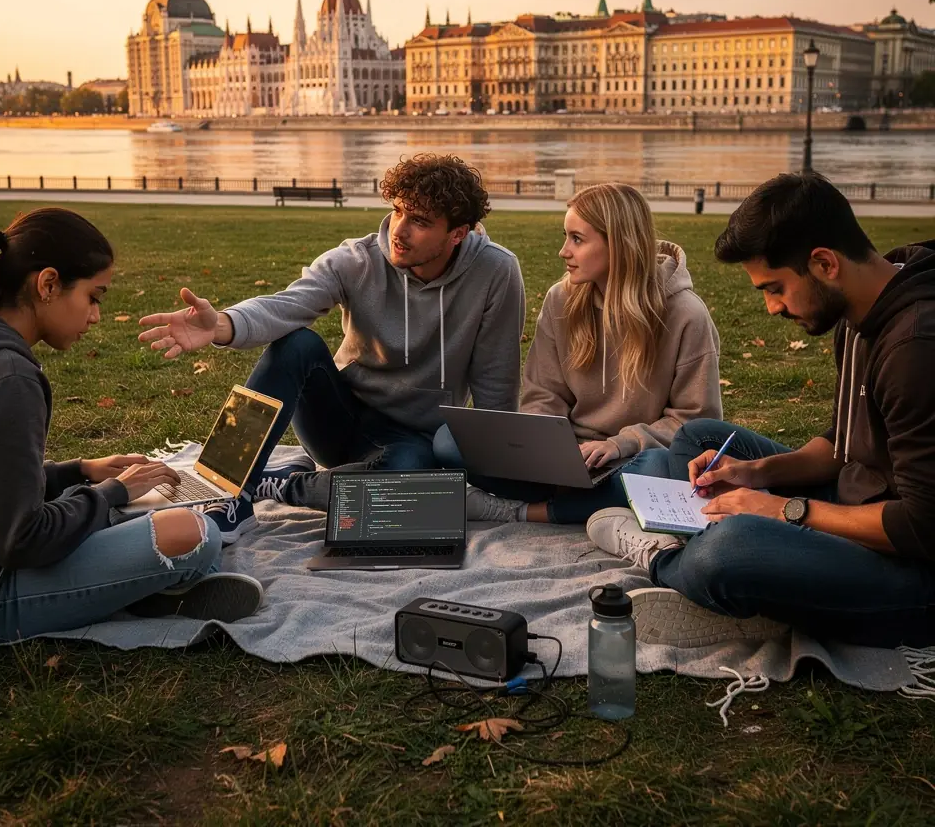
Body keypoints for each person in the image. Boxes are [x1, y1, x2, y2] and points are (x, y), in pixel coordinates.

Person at [586, 173, 935, 649]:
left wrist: (783, 510)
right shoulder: (861, 308)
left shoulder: (915, 347)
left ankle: (669, 562)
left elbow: (922, 526)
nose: (771, 308)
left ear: (824, 264)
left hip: (912, 570)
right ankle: (754, 579)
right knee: (699, 440)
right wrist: (753, 472)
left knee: (725, 553)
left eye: (775, 288)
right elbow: (840, 447)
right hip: (859, 500)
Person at [0, 208, 264, 662]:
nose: (96, 316)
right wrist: (110, 493)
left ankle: (130, 585)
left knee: (140, 509)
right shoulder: (6, 378)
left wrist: (77, 471)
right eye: (94, 297)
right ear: (48, 284)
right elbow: (22, 539)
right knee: (196, 533)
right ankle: (146, 594)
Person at [138, 154, 526, 542]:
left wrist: (494, 464)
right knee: (297, 342)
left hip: (415, 437)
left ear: (458, 233)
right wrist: (222, 324)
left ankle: (286, 485)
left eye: (420, 221)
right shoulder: (357, 260)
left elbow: (495, 379)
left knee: (409, 477)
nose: (399, 230)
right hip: (339, 417)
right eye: (397, 211)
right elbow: (287, 306)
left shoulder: (495, 272)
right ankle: (226, 491)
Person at [435, 182, 722, 523]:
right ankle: (577, 502)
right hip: (563, 459)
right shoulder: (561, 300)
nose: (563, 251)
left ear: (619, 244)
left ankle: (528, 512)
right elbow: (543, 394)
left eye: (577, 239)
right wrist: (546, 446)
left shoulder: (686, 314)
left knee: (659, 469)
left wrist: (622, 443)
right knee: (449, 440)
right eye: (565, 236)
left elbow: (695, 423)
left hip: (630, 459)